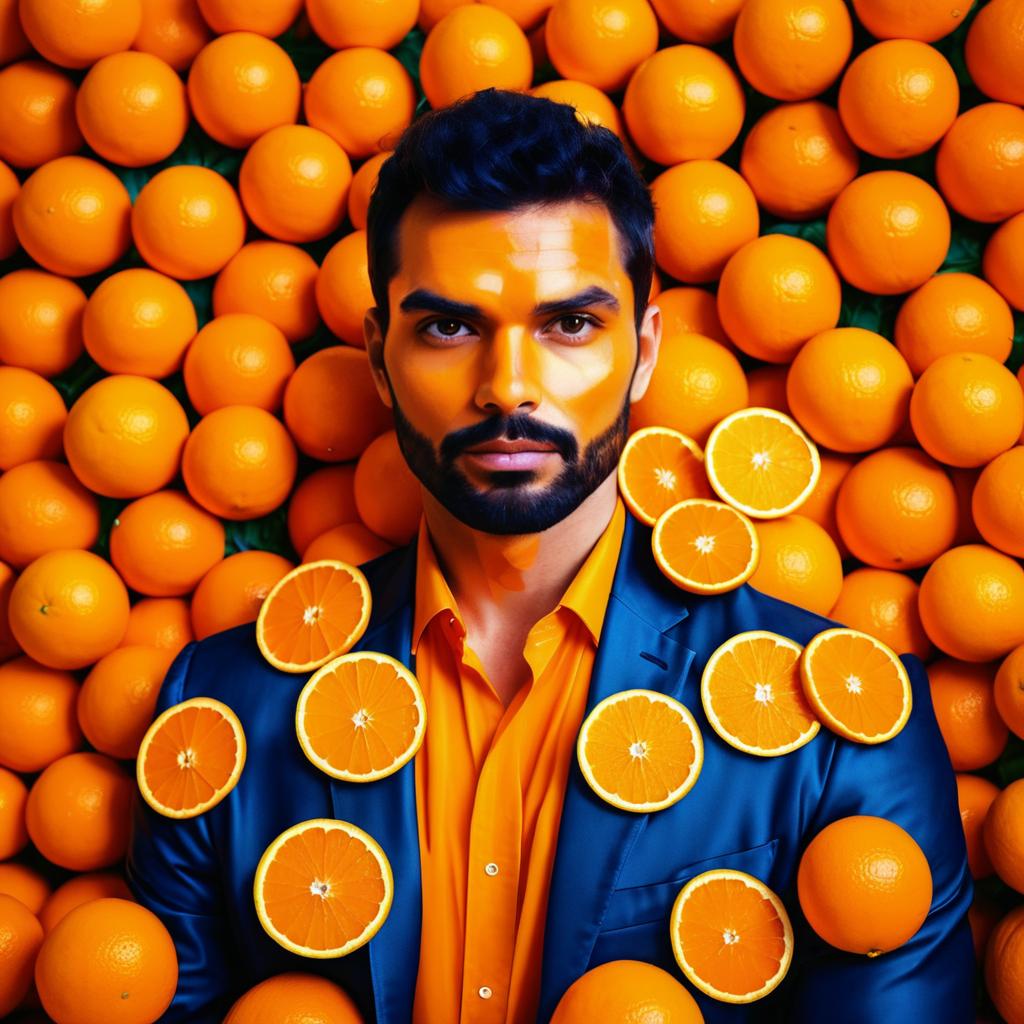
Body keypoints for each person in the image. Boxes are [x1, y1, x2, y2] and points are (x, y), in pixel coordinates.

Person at [125, 87, 974, 1023]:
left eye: (570, 324)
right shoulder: (215, 718)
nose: (508, 388)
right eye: (449, 326)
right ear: (378, 358)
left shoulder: (840, 733)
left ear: (646, 353)